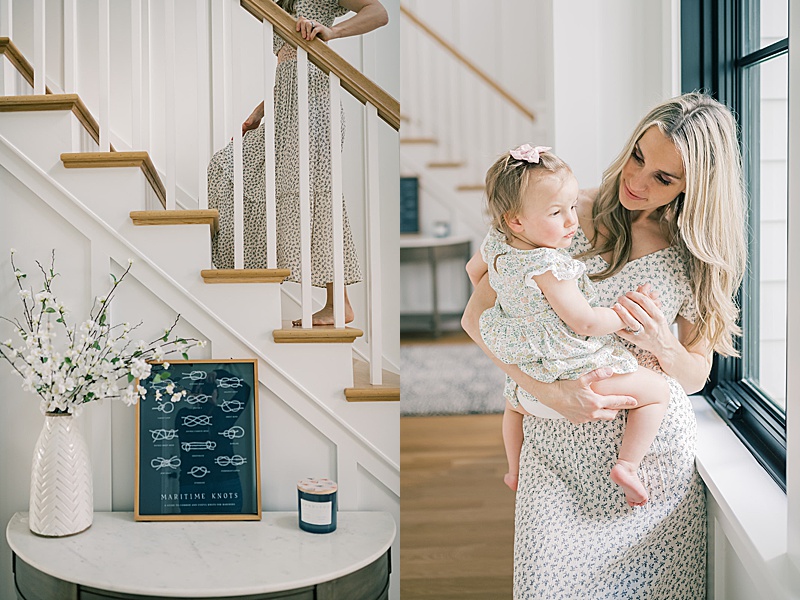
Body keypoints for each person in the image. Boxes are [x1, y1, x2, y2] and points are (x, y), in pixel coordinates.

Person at [462, 92, 745, 598]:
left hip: (649, 469)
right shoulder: (564, 214)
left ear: (697, 187)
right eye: (639, 156)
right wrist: (547, 393)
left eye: (664, 178)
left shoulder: (699, 258)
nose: (637, 181)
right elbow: (474, 318)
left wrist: (663, 343)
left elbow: (694, 376)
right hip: (557, 449)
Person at [477, 144, 669, 507]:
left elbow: (474, 274)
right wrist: (625, 313)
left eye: (571, 208)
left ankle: (514, 470)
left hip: (528, 381)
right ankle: (627, 465)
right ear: (516, 220)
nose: (571, 222)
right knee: (658, 391)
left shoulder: (498, 247)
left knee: (511, 407)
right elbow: (585, 321)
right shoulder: (551, 265)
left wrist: (515, 297)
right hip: (573, 369)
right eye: (555, 212)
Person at [207, 0, 389, 326]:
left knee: (318, 193)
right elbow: (290, 67)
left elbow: (378, 12)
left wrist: (331, 32)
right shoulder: (280, 4)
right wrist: (258, 112)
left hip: (316, 103)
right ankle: (253, 270)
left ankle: (338, 303)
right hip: (286, 103)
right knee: (225, 167)